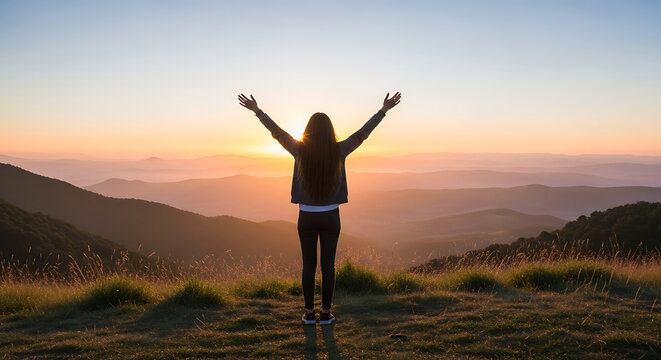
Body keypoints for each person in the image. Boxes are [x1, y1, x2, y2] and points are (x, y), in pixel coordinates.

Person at [238, 92, 402, 325]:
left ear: (308, 130)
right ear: (329, 131)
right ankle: (325, 313)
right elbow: (362, 134)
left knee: (308, 265)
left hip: (306, 216)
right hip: (331, 217)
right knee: (328, 266)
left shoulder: (299, 150)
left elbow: (278, 133)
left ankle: (308, 313)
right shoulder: (339, 150)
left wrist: (257, 111)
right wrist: (383, 110)